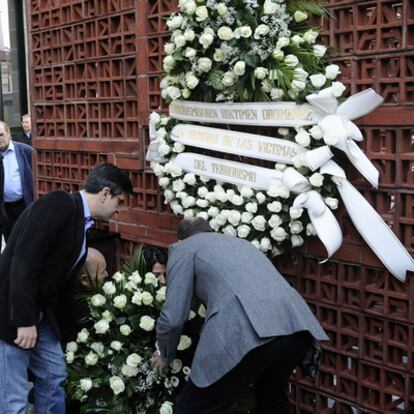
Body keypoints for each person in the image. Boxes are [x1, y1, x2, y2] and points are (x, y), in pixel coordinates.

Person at [152, 217, 329, 414]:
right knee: (271, 401)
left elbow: (173, 318)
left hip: (251, 332)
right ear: (210, 231)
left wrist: (163, 353)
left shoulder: (183, 249)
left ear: (181, 240)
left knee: (190, 408)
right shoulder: (240, 243)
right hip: (296, 325)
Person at [0, 162, 132, 414]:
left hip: (42, 315)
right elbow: (24, 260)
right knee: (13, 397)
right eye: (120, 202)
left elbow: (59, 280)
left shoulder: (81, 222)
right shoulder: (59, 203)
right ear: (105, 193)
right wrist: (24, 319)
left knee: (54, 376)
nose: (119, 211)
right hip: (13, 311)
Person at [0, 121, 34, 241]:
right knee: (9, 242)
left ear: (9, 133)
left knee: (27, 240)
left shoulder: (25, 150)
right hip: (4, 209)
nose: (0, 139)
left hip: (23, 205)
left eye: (1, 135)